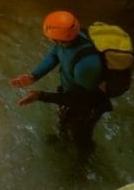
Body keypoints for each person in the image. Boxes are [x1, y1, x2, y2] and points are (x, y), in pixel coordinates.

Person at [10, 10, 112, 151]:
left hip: (86, 107)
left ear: (58, 39)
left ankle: (83, 159)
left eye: (50, 38)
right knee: (65, 121)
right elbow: (55, 54)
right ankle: (63, 137)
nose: (49, 40)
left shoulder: (86, 66)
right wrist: (34, 76)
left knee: (81, 136)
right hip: (72, 93)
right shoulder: (71, 39)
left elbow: (84, 100)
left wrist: (40, 96)